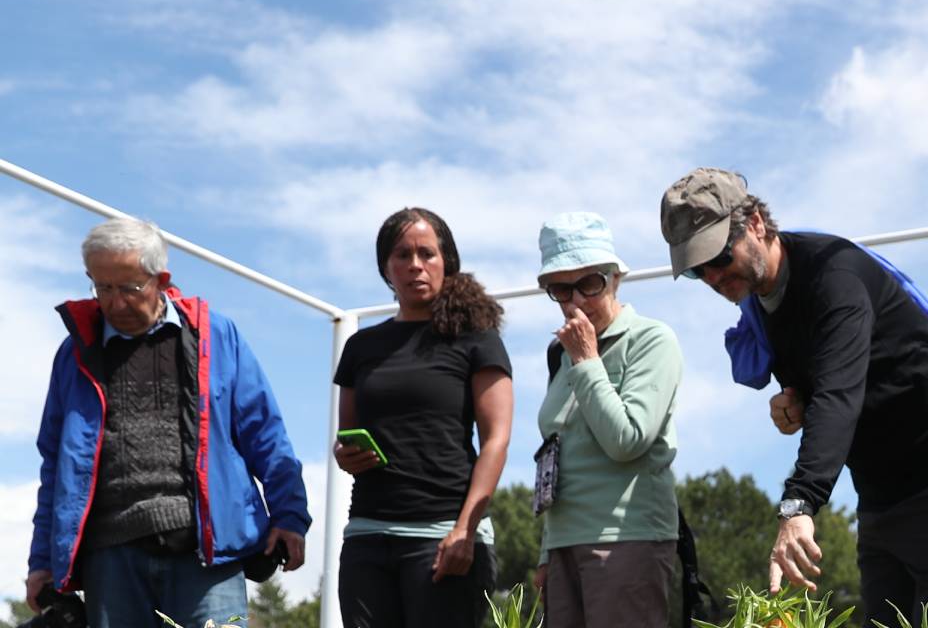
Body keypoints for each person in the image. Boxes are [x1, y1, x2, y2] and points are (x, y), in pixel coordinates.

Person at [659, 168, 928, 627]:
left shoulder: (834, 277)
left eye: (719, 256)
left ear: (757, 225)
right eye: (695, 269)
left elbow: (839, 395)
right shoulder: (761, 297)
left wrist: (798, 504)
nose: (712, 276)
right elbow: (833, 379)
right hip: (884, 483)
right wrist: (797, 398)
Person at [26, 217, 310, 627]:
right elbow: (55, 466)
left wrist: (289, 516)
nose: (114, 302)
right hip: (111, 558)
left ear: (160, 278)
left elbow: (265, 433)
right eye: (102, 287)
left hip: (208, 553)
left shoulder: (217, 335)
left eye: (129, 288)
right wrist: (42, 562)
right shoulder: (73, 355)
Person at [333, 207, 513, 627]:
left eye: (427, 253)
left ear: (446, 262)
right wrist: (345, 454)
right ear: (385, 267)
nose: (415, 264)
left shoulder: (475, 339)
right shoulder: (361, 346)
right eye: (402, 254)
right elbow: (346, 436)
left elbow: (496, 440)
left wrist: (465, 529)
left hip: (443, 538)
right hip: (366, 538)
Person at [530, 212, 683, 628]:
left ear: (616, 278)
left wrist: (586, 360)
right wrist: (548, 551)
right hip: (565, 542)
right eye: (562, 289)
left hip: (627, 538)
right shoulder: (560, 355)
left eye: (590, 284)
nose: (576, 301)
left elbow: (627, 439)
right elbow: (558, 456)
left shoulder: (651, 340)